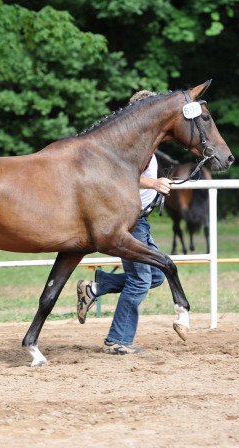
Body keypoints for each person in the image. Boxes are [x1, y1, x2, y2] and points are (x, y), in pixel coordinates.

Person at [76, 91, 172, 355]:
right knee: (140, 280)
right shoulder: (129, 145)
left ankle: (97, 287)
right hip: (131, 222)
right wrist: (153, 183)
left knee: (156, 275)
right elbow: (120, 176)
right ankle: (117, 340)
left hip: (141, 220)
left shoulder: (144, 143)